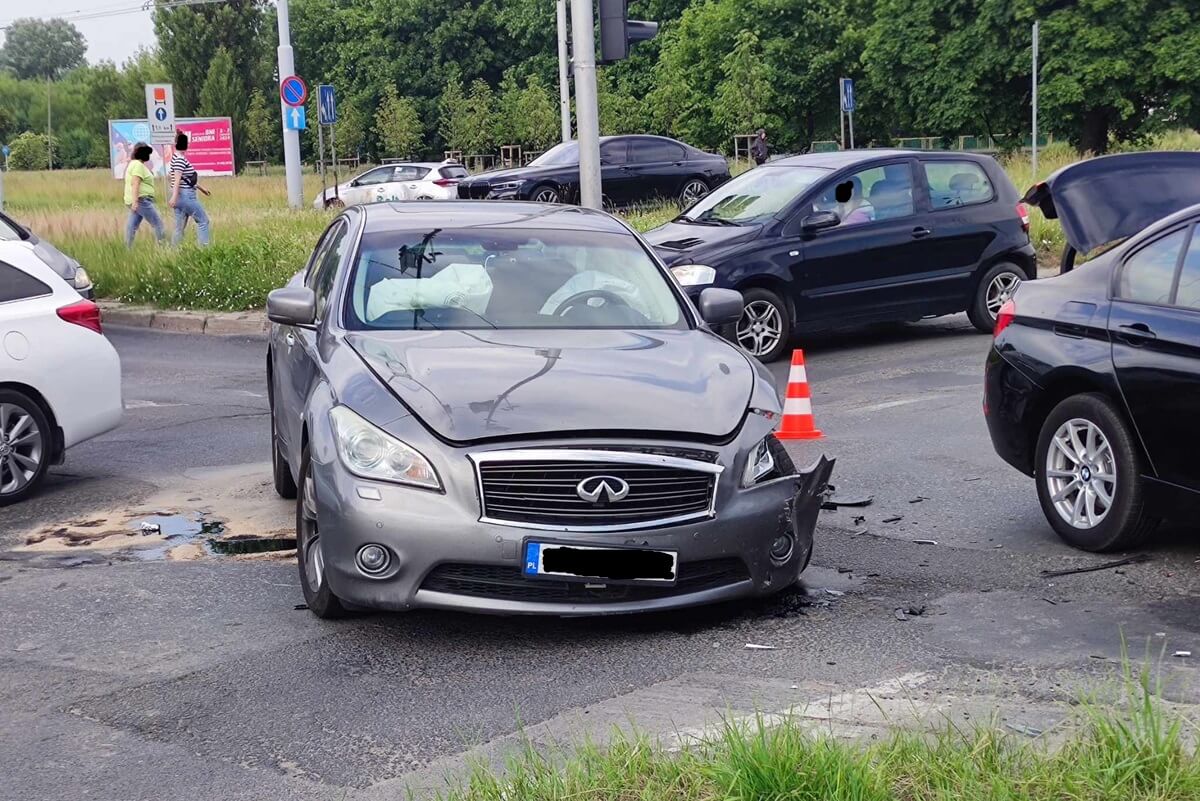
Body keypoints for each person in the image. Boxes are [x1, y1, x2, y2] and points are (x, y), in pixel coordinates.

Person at [168, 132, 211, 246]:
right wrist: (174, 197)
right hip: (185, 196)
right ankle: (204, 249)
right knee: (203, 221)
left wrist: (201, 189)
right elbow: (177, 180)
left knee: (179, 228)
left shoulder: (175, 158)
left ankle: (174, 252)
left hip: (180, 196)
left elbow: (184, 179)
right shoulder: (180, 160)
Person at [124, 142, 165, 247]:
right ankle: (163, 247)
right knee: (158, 224)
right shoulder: (138, 165)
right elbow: (135, 182)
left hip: (137, 200)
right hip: (142, 200)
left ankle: (127, 248)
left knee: (132, 226)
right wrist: (135, 201)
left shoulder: (134, 164)